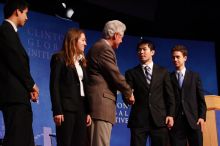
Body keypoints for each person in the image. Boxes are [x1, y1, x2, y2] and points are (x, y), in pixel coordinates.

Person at [86, 20, 135, 146]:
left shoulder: (99, 47)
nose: (122, 41)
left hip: (99, 107)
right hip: (100, 107)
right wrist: (128, 92)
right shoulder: (104, 49)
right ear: (116, 35)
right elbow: (115, 75)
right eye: (122, 37)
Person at [0, 0, 39, 146]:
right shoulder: (5, 30)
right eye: (26, 13)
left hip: (19, 97)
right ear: (17, 11)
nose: (27, 17)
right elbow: (16, 62)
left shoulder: (10, 32)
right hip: (14, 98)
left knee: (25, 140)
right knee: (17, 139)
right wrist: (31, 85)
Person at [125, 39, 175, 146]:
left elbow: (169, 95)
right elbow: (127, 92)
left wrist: (170, 114)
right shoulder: (131, 73)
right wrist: (128, 98)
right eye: (139, 50)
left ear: (152, 52)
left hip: (159, 120)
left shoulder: (163, 72)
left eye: (144, 49)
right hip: (139, 120)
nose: (141, 52)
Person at [49, 28, 92, 146]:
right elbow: (54, 86)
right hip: (66, 109)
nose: (85, 43)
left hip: (81, 109)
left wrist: (88, 111)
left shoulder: (82, 62)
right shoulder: (59, 58)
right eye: (83, 40)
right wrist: (57, 110)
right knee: (65, 142)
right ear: (74, 41)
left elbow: (85, 87)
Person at [169, 45, 207, 146]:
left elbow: (201, 99)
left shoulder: (195, 76)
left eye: (178, 57)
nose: (175, 59)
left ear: (185, 58)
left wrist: (202, 117)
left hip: (194, 122)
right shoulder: (168, 78)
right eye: (173, 57)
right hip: (176, 124)